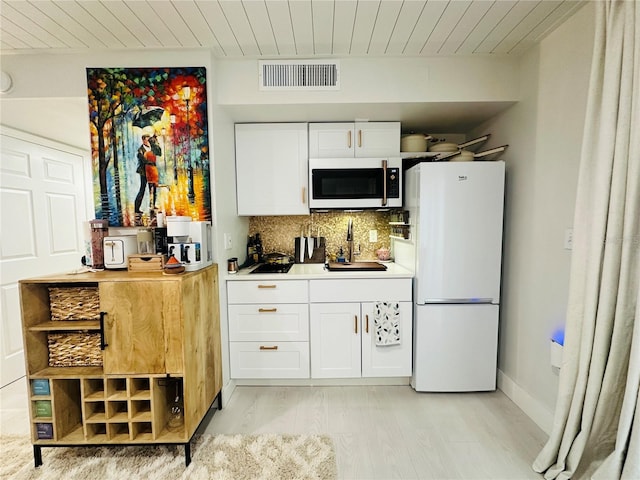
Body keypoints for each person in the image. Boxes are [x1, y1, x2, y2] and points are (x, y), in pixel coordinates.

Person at [134, 127, 162, 215]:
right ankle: (137, 208)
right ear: (143, 140)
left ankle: (152, 205)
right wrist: (150, 161)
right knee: (142, 189)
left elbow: (159, 152)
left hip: (152, 171)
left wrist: (156, 140)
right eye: (146, 140)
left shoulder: (152, 148)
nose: (148, 142)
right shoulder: (140, 150)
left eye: (148, 140)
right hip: (144, 172)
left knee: (153, 188)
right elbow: (143, 160)